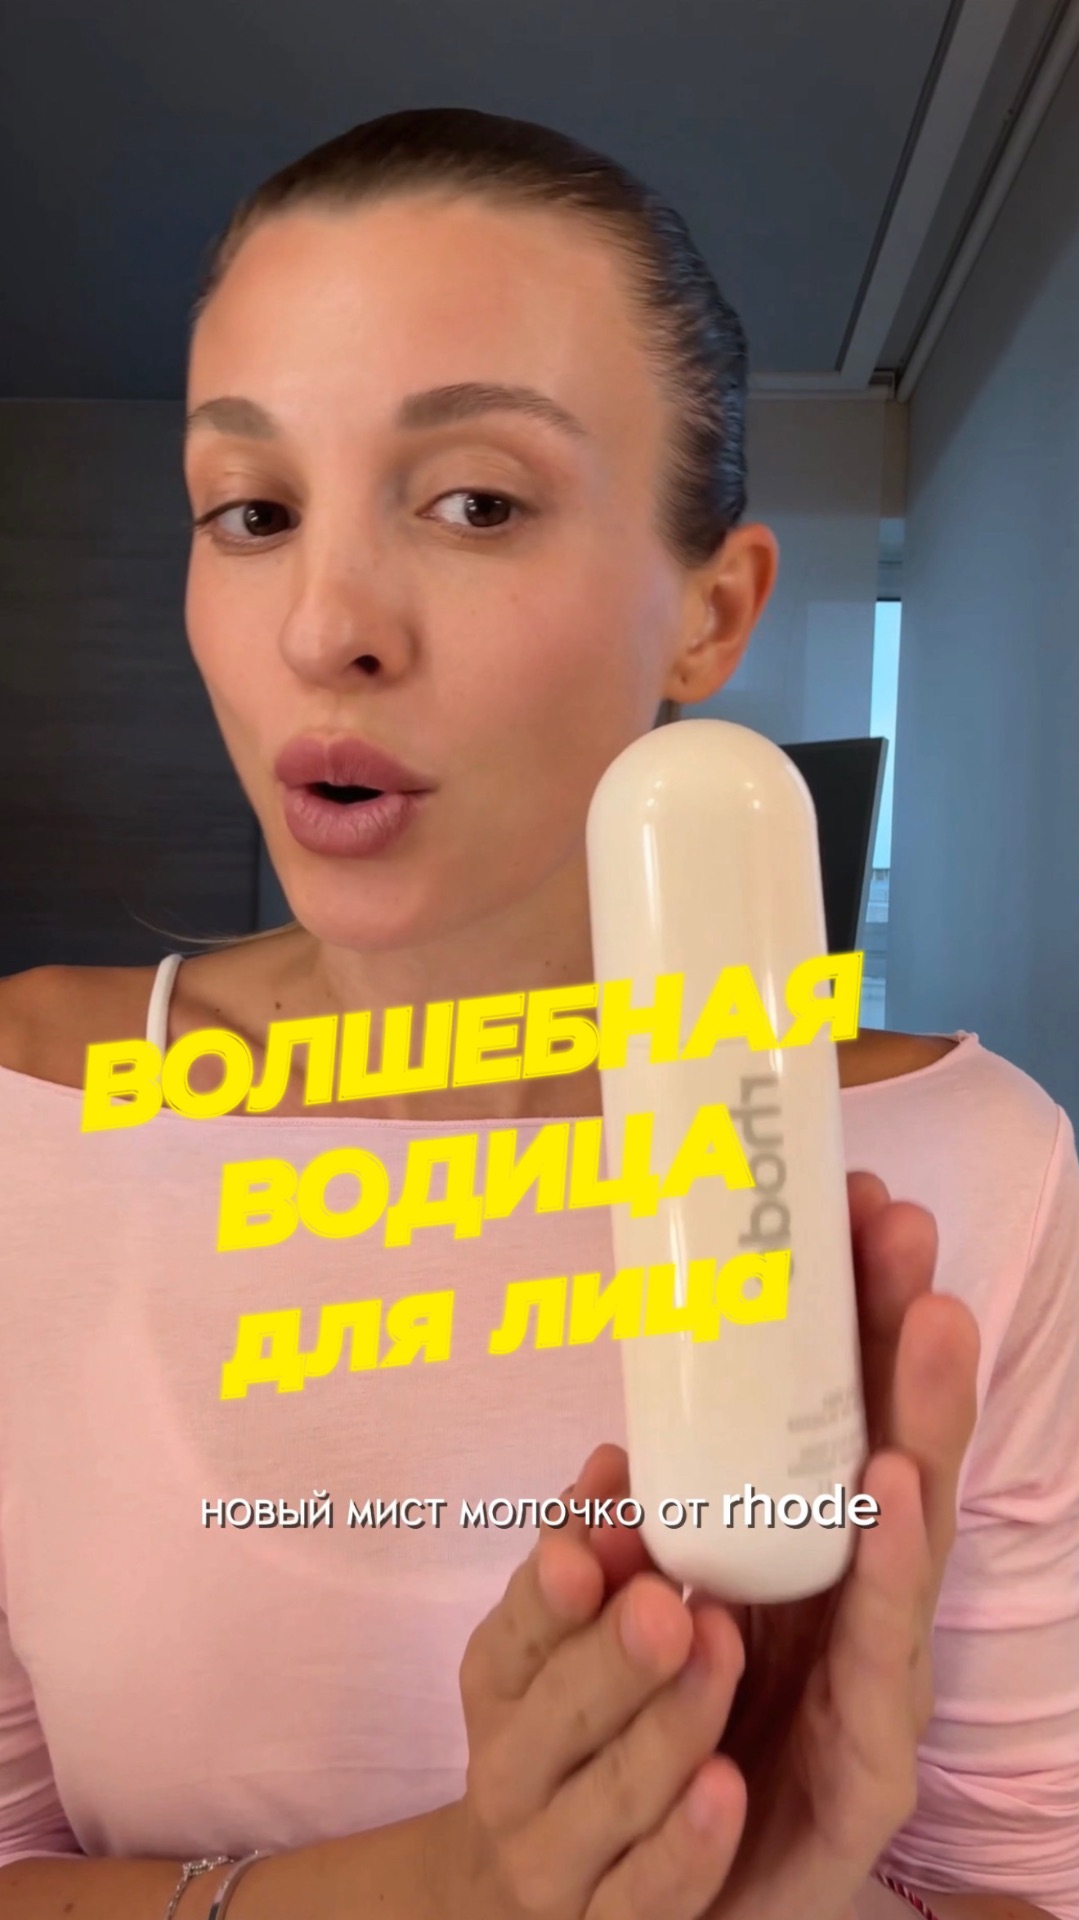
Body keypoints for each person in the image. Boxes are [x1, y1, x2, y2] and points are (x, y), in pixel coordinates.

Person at [0, 107, 1075, 1920]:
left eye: (476, 502)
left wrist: (791, 1897)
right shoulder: (24, 1119)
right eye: (252, 511)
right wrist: (456, 1889)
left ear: (711, 615)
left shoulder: (972, 1172)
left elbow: (1020, 1879)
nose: (325, 628)